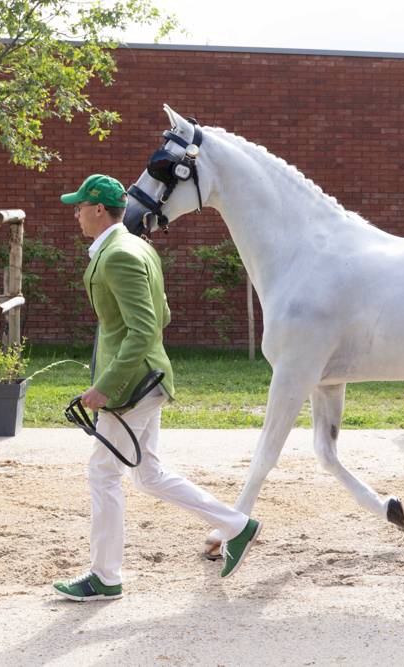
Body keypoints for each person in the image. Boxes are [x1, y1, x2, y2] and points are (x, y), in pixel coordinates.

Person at [52, 174, 260, 601]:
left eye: (79, 207)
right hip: (148, 378)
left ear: (98, 209)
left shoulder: (117, 255)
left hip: (131, 386)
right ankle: (236, 524)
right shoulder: (138, 248)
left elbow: (144, 328)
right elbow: (161, 315)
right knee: (148, 475)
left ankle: (105, 577)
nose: (75, 214)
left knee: (103, 474)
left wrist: (106, 384)